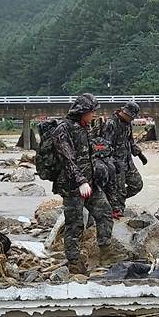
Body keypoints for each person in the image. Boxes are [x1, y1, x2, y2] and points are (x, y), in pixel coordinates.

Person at [53, 93, 114, 275]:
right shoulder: (63, 129)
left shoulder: (85, 128)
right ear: (82, 111)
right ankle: (73, 261)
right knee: (75, 224)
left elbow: (90, 154)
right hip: (72, 185)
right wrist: (80, 181)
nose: (93, 115)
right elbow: (67, 159)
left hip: (90, 183)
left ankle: (106, 252)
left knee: (105, 212)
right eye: (92, 112)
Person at [96, 101, 147, 218]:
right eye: (129, 116)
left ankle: (113, 200)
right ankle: (117, 210)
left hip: (127, 161)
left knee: (137, 184)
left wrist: (139, 154)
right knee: (120, 190)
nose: (131, 119)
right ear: (123, 112)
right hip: (115, 164)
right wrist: (112, 163)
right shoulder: (111, 123)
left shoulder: (127, 123)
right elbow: (104, 147)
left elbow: (130, 141)